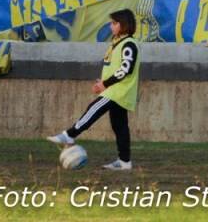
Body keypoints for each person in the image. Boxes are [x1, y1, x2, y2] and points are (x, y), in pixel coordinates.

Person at [48, 9, 140, 170]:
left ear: (122, 24)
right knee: (119, 126)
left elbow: (126, 69)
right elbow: (115, 67)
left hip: (118, 90)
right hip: (116, 89)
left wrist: (106, 84)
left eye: (114, 23)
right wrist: (104, 81)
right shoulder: (118, 42)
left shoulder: (129, 44)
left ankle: (69, 135)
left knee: (93, 109)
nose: (111, 26)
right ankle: (125, 162)